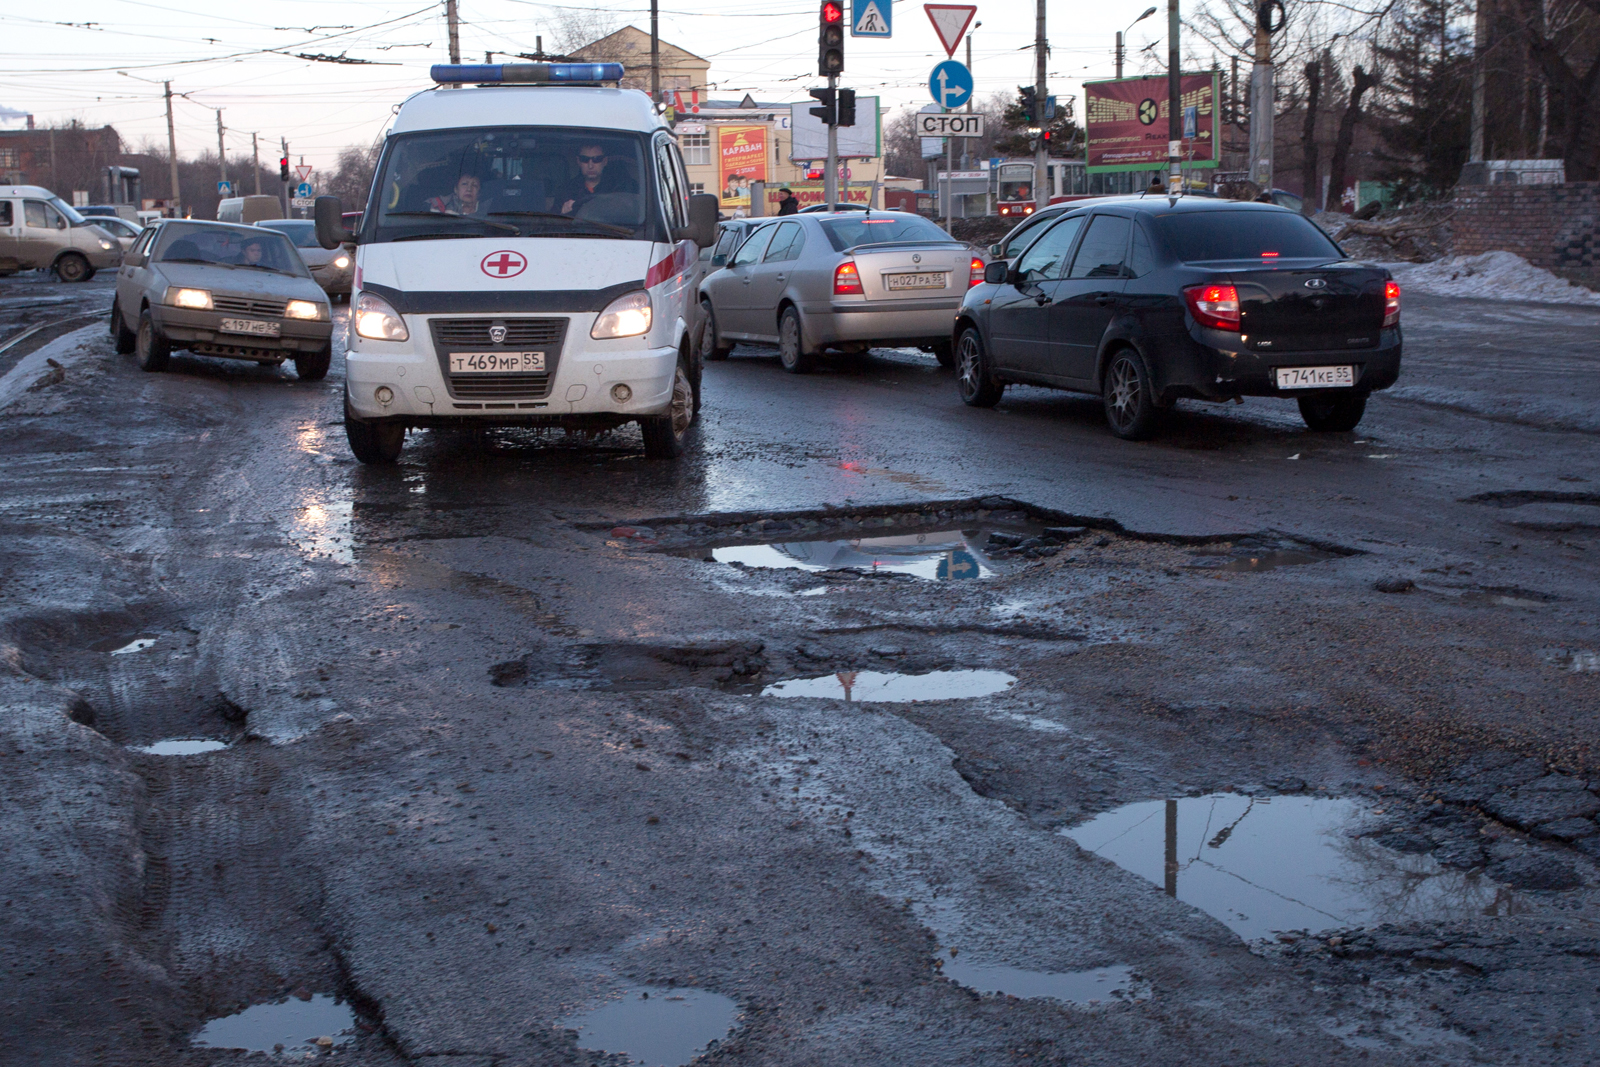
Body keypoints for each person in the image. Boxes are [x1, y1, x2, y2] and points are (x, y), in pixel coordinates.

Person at [558, 144, 630, 214]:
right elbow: (552, 221)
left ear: (605, 161)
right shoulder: (566, 190)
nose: (590, 165)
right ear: (578, 161)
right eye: (585, 159)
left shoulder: (619, 188)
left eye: (596, 159)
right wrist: (563, 215)